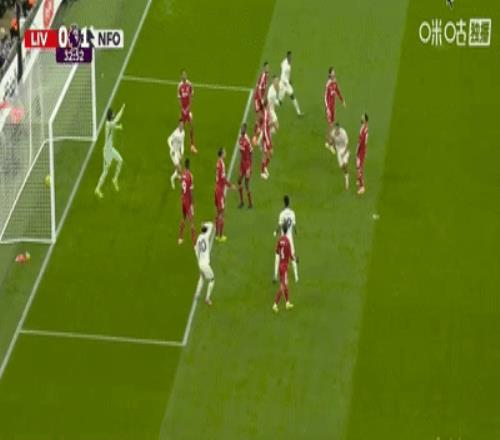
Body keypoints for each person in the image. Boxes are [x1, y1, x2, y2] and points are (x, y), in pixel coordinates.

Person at [95, 104, 125, 199]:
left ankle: (115, 179)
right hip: (107, 152)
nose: (114, 114)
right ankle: (97, 189)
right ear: (111, 115)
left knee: (120, 161)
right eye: (113, 113)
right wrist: (122, 110)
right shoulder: (108, 124)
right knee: (105, 171)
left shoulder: (109, 124)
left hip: (110, 149)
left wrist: (118, 127)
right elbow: (116, 121)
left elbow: (114, 125)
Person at [272, 222, 297, 313]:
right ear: (287, 230)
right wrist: (296, 259)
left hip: (280, 265)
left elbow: (277, 251)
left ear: (282, 230)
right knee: (283, 286)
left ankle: (287, 302)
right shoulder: (287, 241)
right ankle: (275, 304)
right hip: (285, 267)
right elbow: (291, 255)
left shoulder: (280, 240)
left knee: (285, 285)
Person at [274, 195, 299, 282]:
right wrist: (296, 232)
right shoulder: (292, 213)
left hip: (283, 239)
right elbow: (294, 226)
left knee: (278, 256)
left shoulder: (281, 214)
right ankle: (296, 277)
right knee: (292, 256)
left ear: (284, 203)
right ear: (289, 202)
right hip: (290, 239)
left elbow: (279, 225)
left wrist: (275, 231)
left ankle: (275, 276)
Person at [214, 148, 235, 242]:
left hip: (216, 189)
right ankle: (220, 236)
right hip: (220, 191)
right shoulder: (221, 164)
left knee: (218, 212)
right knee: (221, 213)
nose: (226, 153)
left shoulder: (218, 162)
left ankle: (216, 234)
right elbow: (223, 179)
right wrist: (230, 185)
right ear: (222, 154)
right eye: (224, 152)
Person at [324, 67, 346, 148]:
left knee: (332, 123)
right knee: (330, 124)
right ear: (330, 74)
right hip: (329, 108)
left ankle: (328, 137)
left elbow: (337, 91)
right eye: (332, 72)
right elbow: (325, 97)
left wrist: (342, 101)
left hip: (333, 106)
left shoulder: (335, 82)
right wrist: (327, 108)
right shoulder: (328, 84)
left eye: (334, 72)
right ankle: (328, 141)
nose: (334, 73)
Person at [195, 222, 215, 306]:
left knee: (202, 278)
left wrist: (199, 260)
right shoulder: (206, 235)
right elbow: (211, 225)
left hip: (200, 263)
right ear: (206, 230)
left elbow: (196, 251)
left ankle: (197, 294)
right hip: (205, 264)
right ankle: (207, 299)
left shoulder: (198, 238)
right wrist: (204, 223)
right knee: (212, 280)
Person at [178, 70, 197, 153]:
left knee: (191, 126)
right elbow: (179, 98)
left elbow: (191, 97)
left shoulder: (190, 84)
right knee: (181, 129)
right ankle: (178, 147)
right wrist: (182, 109)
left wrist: (188, 108)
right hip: (183, 110)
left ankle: (192, 146)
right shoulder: (179, 86)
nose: (184, 76)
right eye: (183, 75)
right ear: (181, 76)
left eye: (185, 74)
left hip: (188, 110)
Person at [178, 158, 196, 246]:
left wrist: (182, 196)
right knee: (191, 221)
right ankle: (194, 242)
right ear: (189, 166)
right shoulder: (190, 176)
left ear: (185, 166)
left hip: (183, 199)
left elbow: (181, 188)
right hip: (188, 201)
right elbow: (191, 191)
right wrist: (193, 203)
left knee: (183, 218)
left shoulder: (182, 175)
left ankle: (180, 238)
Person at [279, 50, 302, 116]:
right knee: (280, 102)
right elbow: (282, 76)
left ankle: (299, 112)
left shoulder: (286, 62)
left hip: (287, 84)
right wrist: (288, 81)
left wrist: (288, 80)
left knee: (292, 96)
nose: (290, 58)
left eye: (291, 56)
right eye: (289, 56)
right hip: (283, 84)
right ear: (287, 56)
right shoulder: (285, 66)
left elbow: (281, 64)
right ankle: (269, 104)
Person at [252, 62, 269, 145]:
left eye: (268, 67)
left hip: (261, 98)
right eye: (266, 67)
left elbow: (263, 89)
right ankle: (255, 137)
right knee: (259, 116)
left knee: (262, 116)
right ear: (263, 68)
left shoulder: (266, 75)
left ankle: (259, 129)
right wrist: (261, 99)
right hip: (257, 99)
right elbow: (259, 89)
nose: (267, 68)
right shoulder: (263, 76)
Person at [237, 123, 253, 208]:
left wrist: (250, 167)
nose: (242, 130)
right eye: (241, 128)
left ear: (245, 130)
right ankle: (242, 201)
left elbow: (251, 152)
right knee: (239, 181)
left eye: (243, 129)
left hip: (247, 164)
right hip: (242, 163)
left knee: (246, 184)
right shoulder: (240, 138)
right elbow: (241, 151)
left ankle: (250, 203)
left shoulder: (247, 140)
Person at [331, 122, 350, 190]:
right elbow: (333, 141)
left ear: (339, 128)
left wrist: (344, 153)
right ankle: (346, 173)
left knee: (345, 164)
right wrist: (332, 146)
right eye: (336, 128)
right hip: (339, 151)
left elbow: (347, 144)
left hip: (344, 149)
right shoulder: (333, 133)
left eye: (338, 128)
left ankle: (347, 178)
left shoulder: (343, 133)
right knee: (341, 166)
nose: (337, 130)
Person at [168, 120, 185, 189]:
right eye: (180, 125)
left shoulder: (183, 133)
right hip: (173, 152)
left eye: (182, 125)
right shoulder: (175, 133)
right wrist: (171, 148)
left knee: (178, 167)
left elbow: (182, 143)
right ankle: (173, 179)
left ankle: (177, 175)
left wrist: (182, 153)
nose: (181, 126)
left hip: (178, 152)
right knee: (179, 168)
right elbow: (169, 139)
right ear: (178, 125)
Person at [356, 113, 369, 195]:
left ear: (365, 120)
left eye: (362, 117)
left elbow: (362, 142)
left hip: (361, 151)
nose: (361, 118)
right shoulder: (364, 127)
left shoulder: (364, 130)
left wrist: (357, 149)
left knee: (359, 168)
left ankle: (362, 187)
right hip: (361, 150)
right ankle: (359, 180)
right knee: (358, 166)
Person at [260, 99, 273, 180]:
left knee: (269, 153)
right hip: (266, 137)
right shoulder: (265, 114)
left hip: (267, 136)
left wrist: (270, 124)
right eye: (269, 104)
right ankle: (262, 172)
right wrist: (267, 140)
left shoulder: (266, 112)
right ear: (267, 105)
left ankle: (265, 167)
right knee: (267, 154)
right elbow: (264, 128)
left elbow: (266, 125)